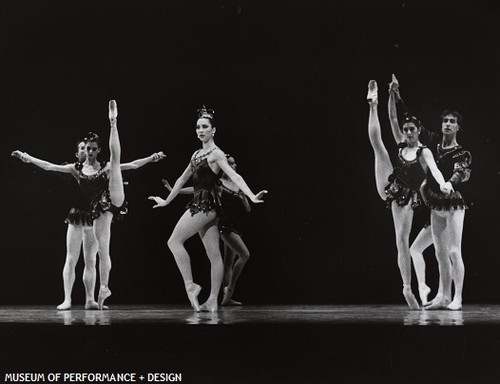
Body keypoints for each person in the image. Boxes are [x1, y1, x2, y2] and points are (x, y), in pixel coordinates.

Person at [12, 100, 166, 309]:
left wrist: (151, 158)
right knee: (99, 251)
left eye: (93, 148)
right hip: (99, 210)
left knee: (116, 162)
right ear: (82, 150)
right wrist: (28, 158)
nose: (90, 151)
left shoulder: (104, 167)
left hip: (112, 198)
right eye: (87, 149)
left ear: (98, 150)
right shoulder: (75, 169)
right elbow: (50, 166)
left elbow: (132, 165)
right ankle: (96, 291)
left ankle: (113, 122)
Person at [149, 106, 267, 312]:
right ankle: (213, 299)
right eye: (198, 127)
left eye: (205, 127)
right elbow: (181, 179)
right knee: (214, 256)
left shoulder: (216, 154)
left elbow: (235, 176)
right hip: (203, 205)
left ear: (213, 130)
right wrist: (167, 201)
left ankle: (190, 285)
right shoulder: (196, 154)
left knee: (174, 241)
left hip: (205, 205)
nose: (200, 130)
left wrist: (251, 196)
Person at [367, 79, 452, 309]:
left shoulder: (424, 152)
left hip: (407, 198)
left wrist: (444, 184)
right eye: (405, 130)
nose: (407, 133)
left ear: (418, 131)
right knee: (378, 145)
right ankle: (372, 104)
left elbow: (434, 169)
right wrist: (391, 95)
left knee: (402, 240)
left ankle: (407, 288)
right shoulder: (400, 145)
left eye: (411, 130)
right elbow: (393, 119)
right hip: (391, 186)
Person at [390, 76, 472, 310]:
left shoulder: (462, 153)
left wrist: (449, 183)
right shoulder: (433, 142)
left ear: (458, 127)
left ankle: (458, 298)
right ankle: (442, 296)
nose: (447, 124)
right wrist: (398, 97)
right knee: (439, 252)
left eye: (452, 122)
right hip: (435, 204)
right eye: (445, 120)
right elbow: (414, 125)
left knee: (454, 251)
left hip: (453, 203)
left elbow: (460, 172)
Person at [162, 154, 252, 306]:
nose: (233, 165)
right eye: (230, 163)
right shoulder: (218, 182)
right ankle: (225, 292)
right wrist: (174, 191)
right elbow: (195, 189)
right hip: (222, 222)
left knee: (224, 258)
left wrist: (248, 197)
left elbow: (247, 207)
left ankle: (216, 298)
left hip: (231, 222)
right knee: (237, 255)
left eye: (234, 163)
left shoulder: (236, 184)